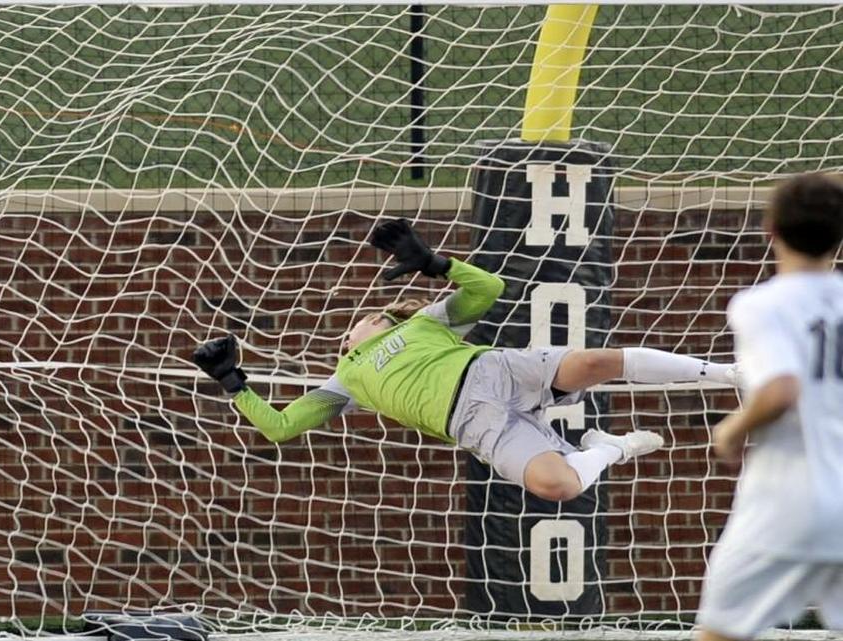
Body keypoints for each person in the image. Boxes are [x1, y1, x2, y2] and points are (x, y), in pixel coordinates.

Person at [193, 218, 736, 502]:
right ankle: (611, 449)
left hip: (493, 370)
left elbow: (488, 287)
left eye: (371, 316)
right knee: (560, 487)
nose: (359, 323)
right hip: (474, 424)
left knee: (595, 362)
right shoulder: (345, 381)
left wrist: (433, 262)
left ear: (385, 320)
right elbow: (281, 428)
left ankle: (730, 373)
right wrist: (232, 381)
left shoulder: (424, 322)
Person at [697, 173, 843, 641]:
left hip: (788, 502)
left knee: (719, 633)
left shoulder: (762, 305)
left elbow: (781, 389)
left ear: (770, 230)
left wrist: (732, 429)